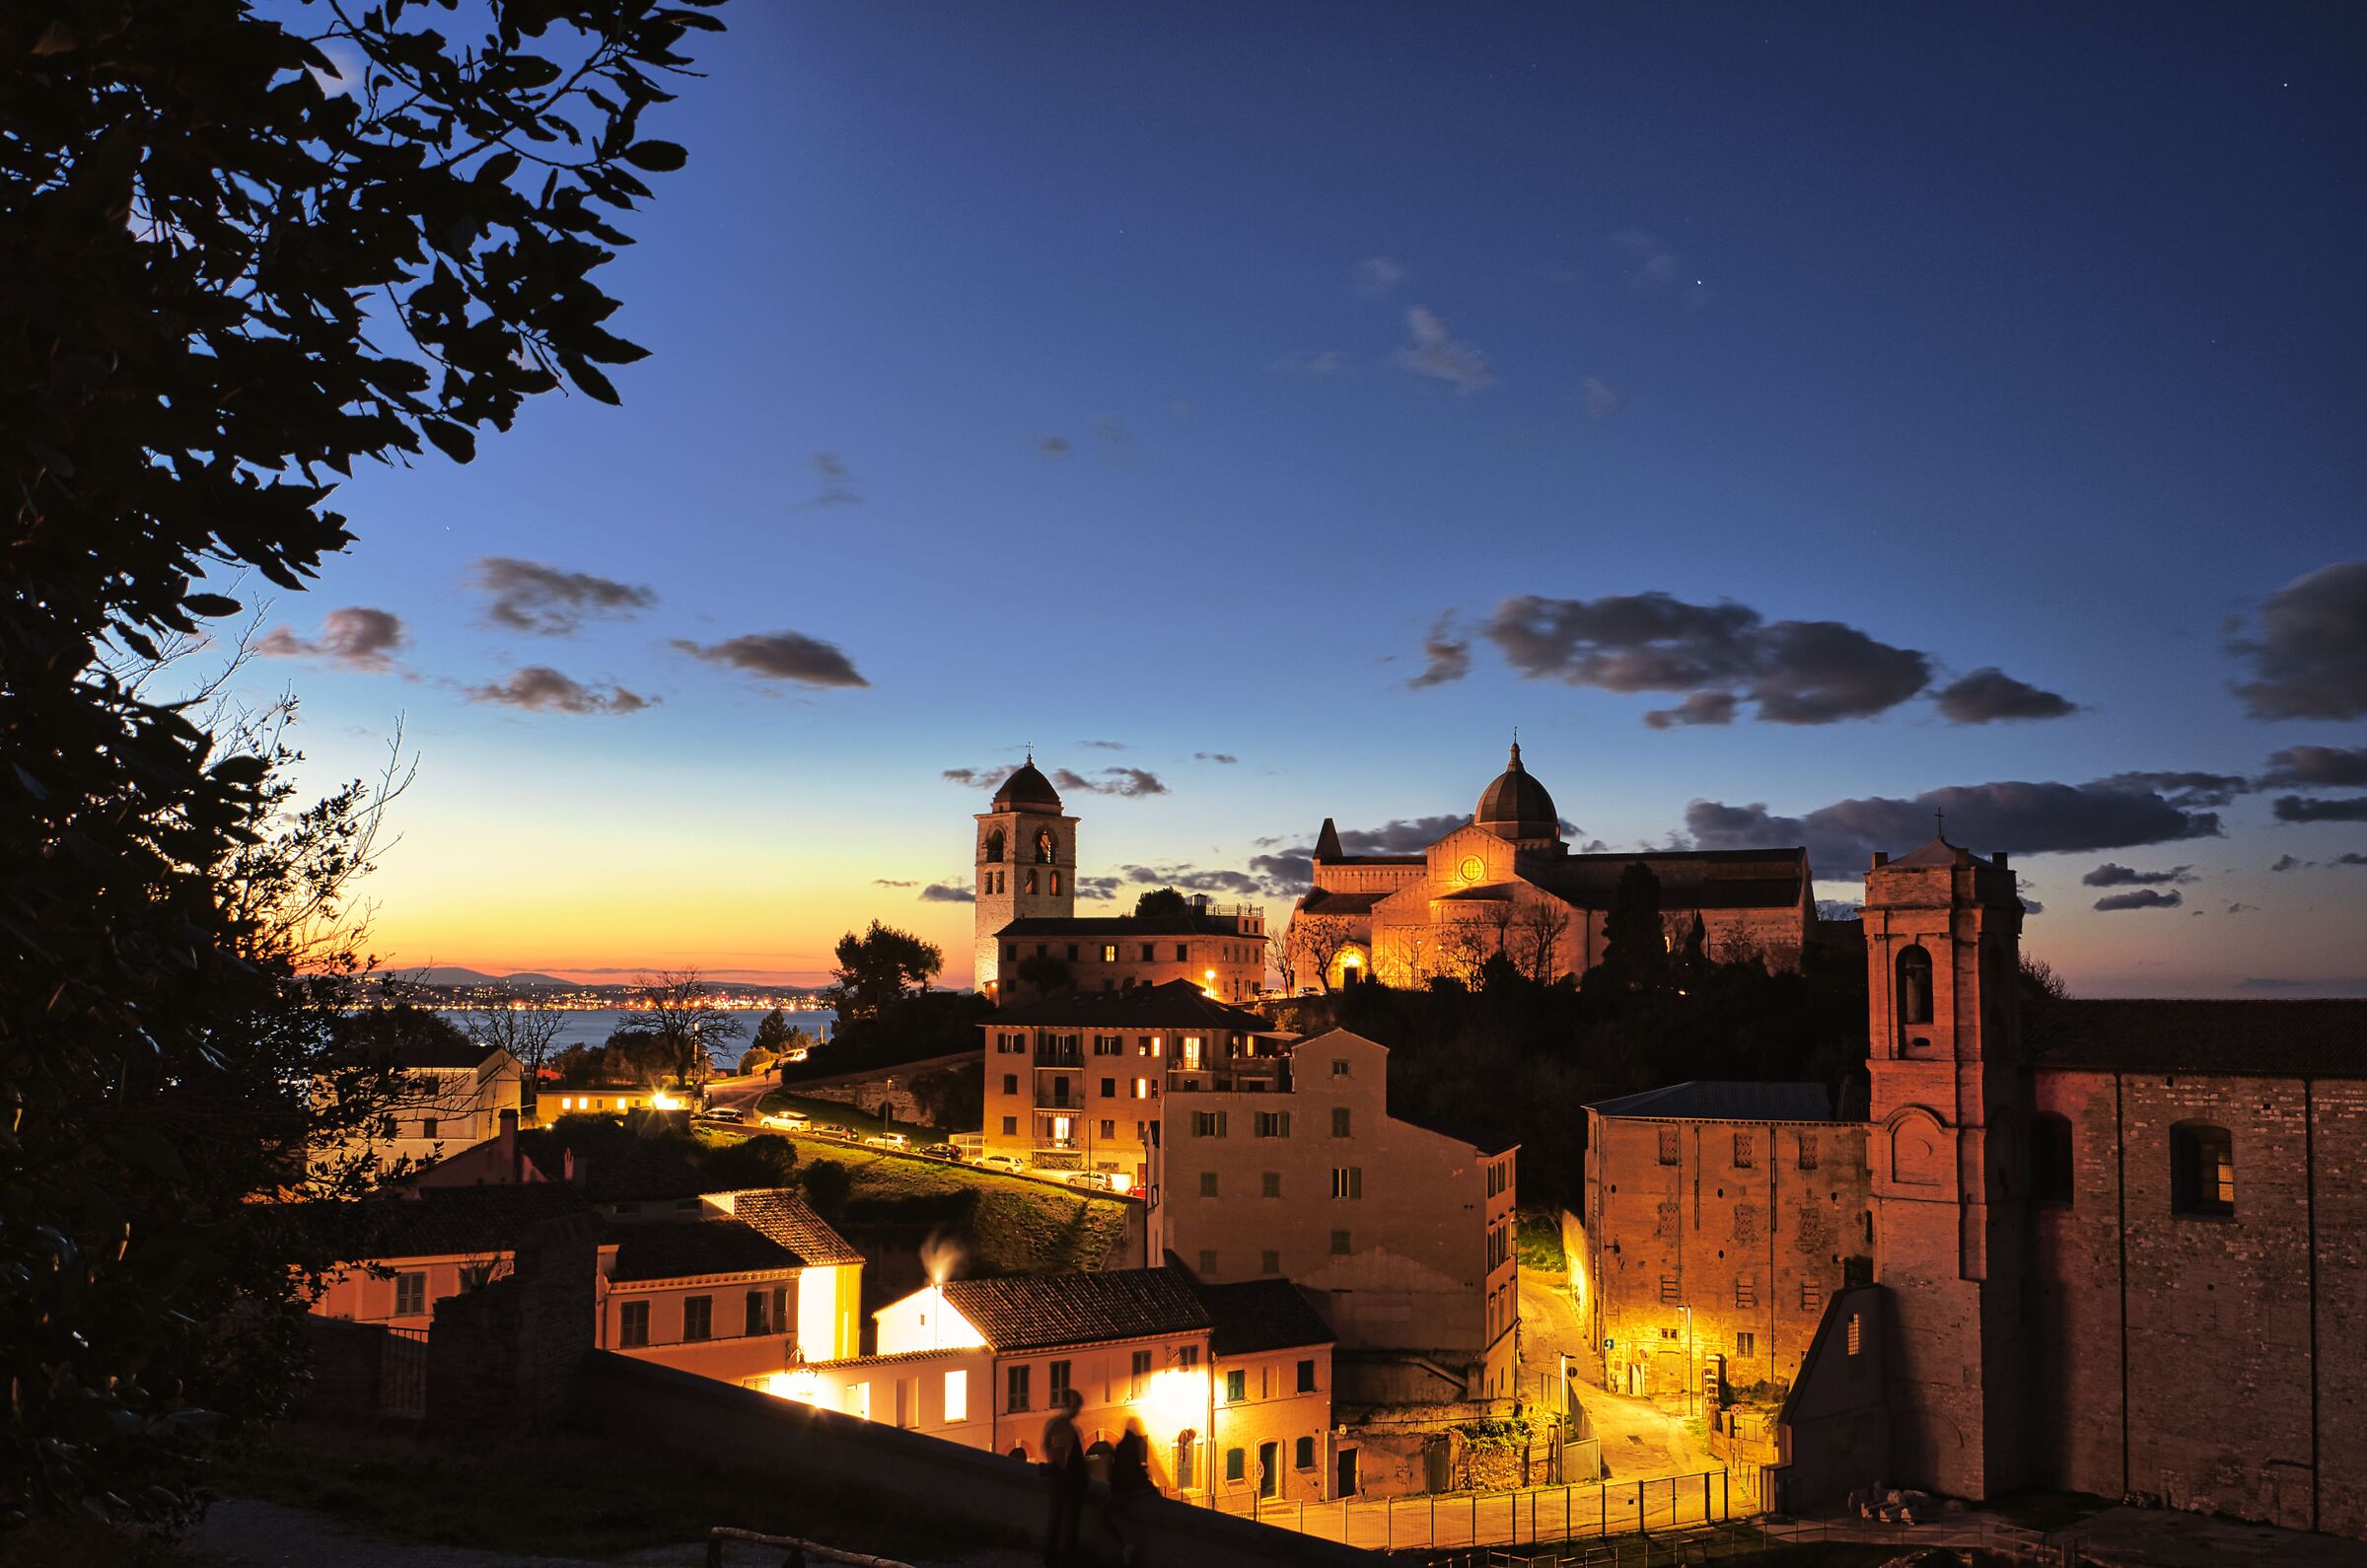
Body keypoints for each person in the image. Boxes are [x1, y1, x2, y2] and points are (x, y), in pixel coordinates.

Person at [1040, 1388, 1088, 1566]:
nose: (1077, 1411)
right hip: (1068, 1484)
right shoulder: (1063, 1428)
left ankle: (1054, 1559)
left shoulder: (1057, 1426)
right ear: (1069, 1406)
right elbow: (1060, 1457)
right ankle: (1060, 1560)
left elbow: (1049, 1449)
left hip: (1064, 1483)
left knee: (1058, 1522)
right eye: (1076, 1406)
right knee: (1065, 1524)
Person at [1101, 1416, 1154, 1565]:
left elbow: (1119, 1475)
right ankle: (1125, 1546)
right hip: (1130, 1492)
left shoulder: (1122, 1448)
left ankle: (1123, 1544)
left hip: (1123, 1493)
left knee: (1104, 1515)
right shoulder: (1131, 1447)